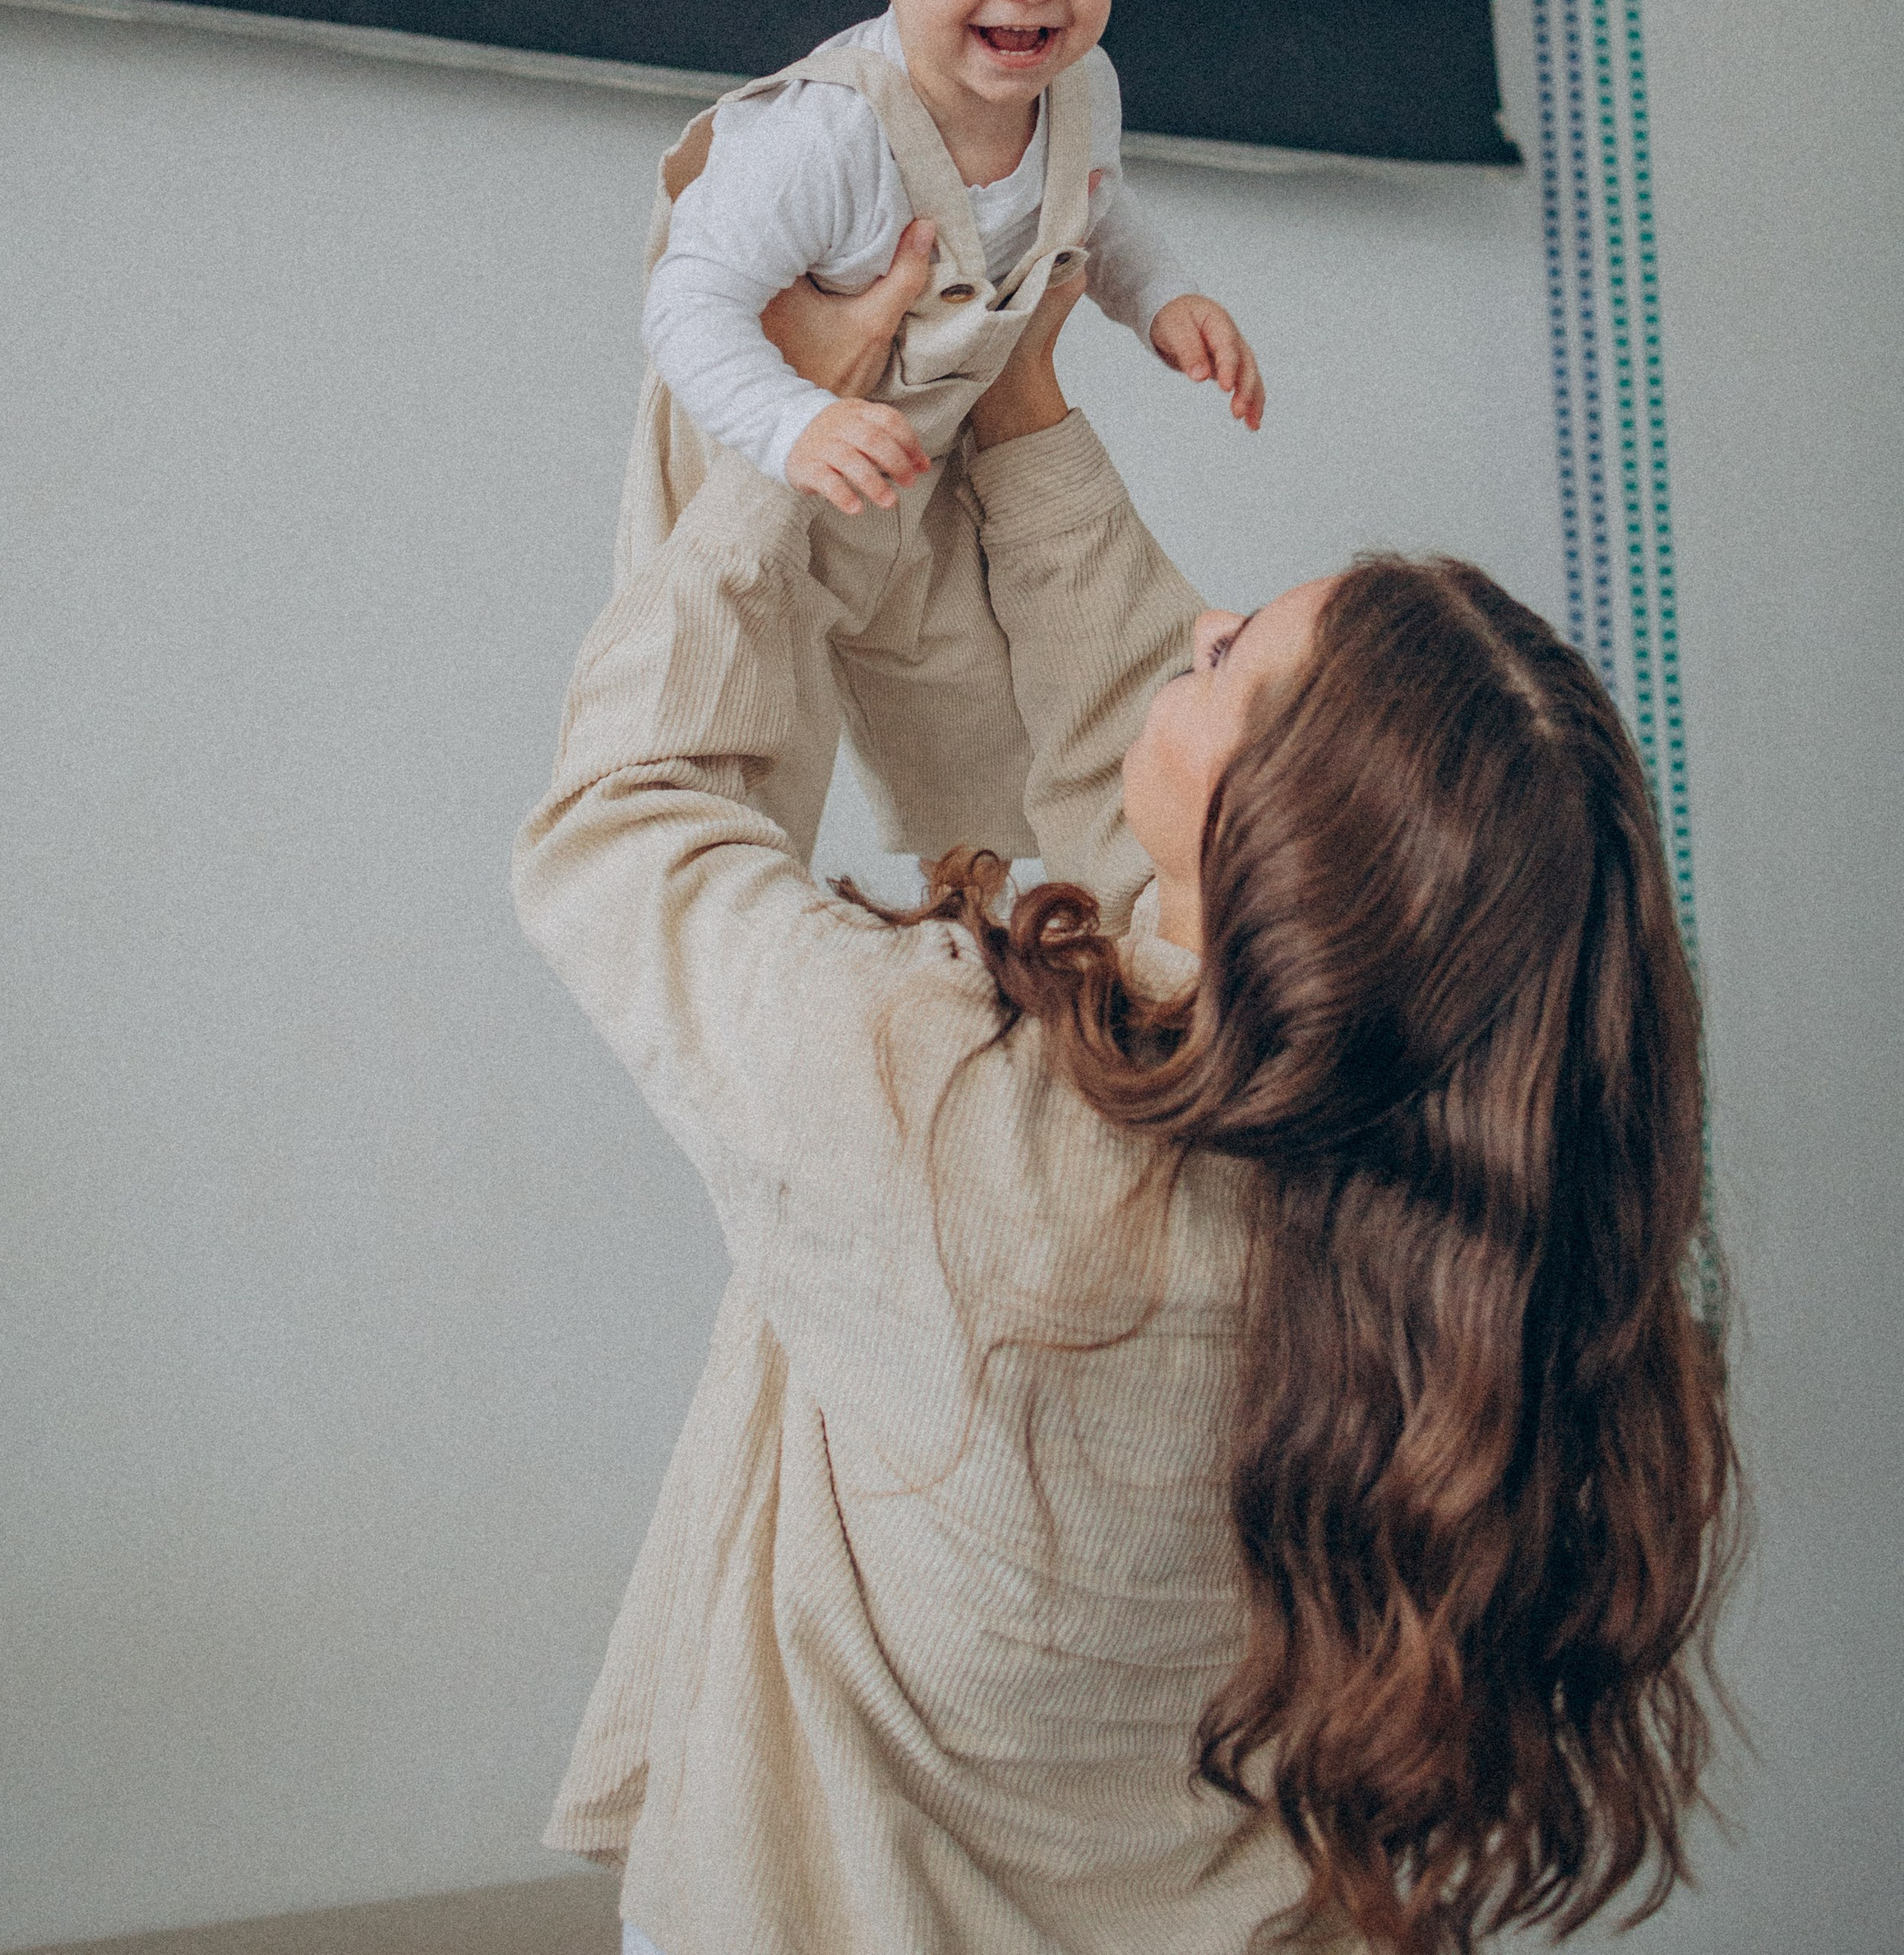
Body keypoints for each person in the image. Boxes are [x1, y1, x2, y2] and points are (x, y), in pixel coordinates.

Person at [519, 242, 1738, 1955]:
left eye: (1228, 654)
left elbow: (630, 826)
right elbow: (1152, 819)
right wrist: (1024, 419)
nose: (1194, 622)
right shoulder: (1508, 1242)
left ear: (1280, 853)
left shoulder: (953, 1119)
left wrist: (765, 459)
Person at [617, 0, 1262, 875]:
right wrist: (791, 423)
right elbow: (686, 305)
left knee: (975, 715)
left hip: (925, 467)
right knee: (751, 734)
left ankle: (977, 911)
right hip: (759, 451)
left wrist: (1163, 297)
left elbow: (1097, 207)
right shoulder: (826, 139)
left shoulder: (1083, 89)